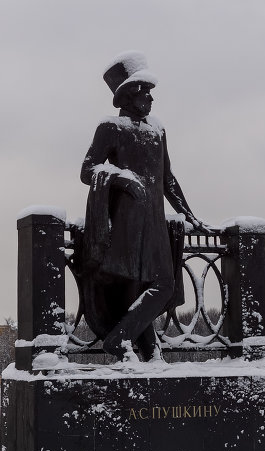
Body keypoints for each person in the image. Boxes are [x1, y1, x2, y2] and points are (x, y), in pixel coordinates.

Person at [79, 51, 204, 361]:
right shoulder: (111, 128)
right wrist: (122, 179)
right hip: (126, 222)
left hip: (155, 222)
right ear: (129, 95)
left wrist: (189, 215)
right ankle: (139, 347)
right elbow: (87, 170)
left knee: (160, 284)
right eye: (145, 92)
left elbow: (167, 179)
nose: (150, 98)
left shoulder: (157, 130)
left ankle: (131, 344)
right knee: (142, 285)